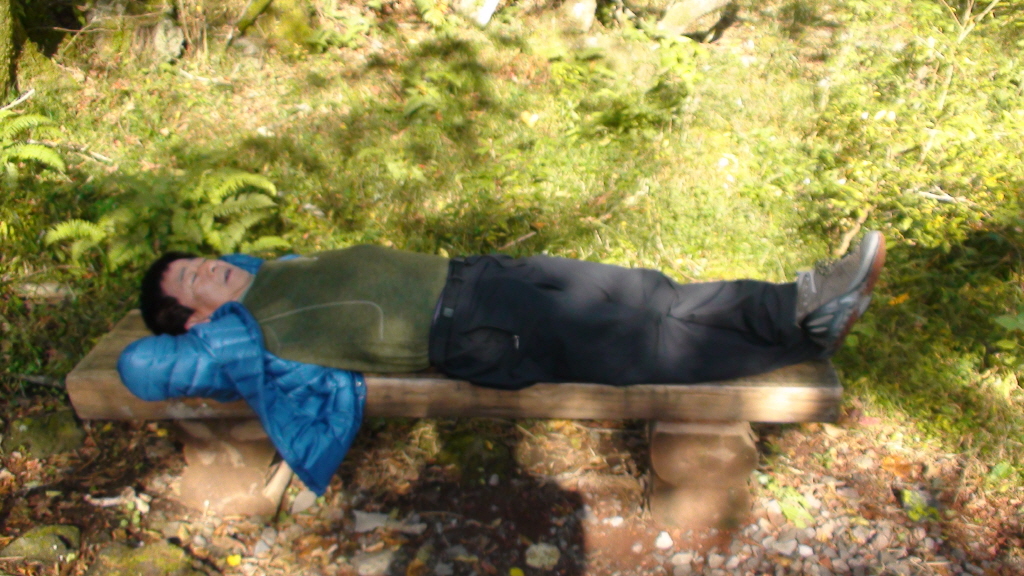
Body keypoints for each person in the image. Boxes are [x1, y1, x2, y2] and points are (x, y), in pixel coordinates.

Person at [118, 232, 885, 494]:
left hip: (485, 277)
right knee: (647, 346)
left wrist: (229, 279)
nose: (206, 266)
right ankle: (804, 335)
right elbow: (144, 368)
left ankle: (794, 302)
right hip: (479, 332)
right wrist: (200, 335)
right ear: (195, 320)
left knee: (651, 296)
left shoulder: (274, 271)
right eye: (190, 279)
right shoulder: (245, 338)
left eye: (197, 258)